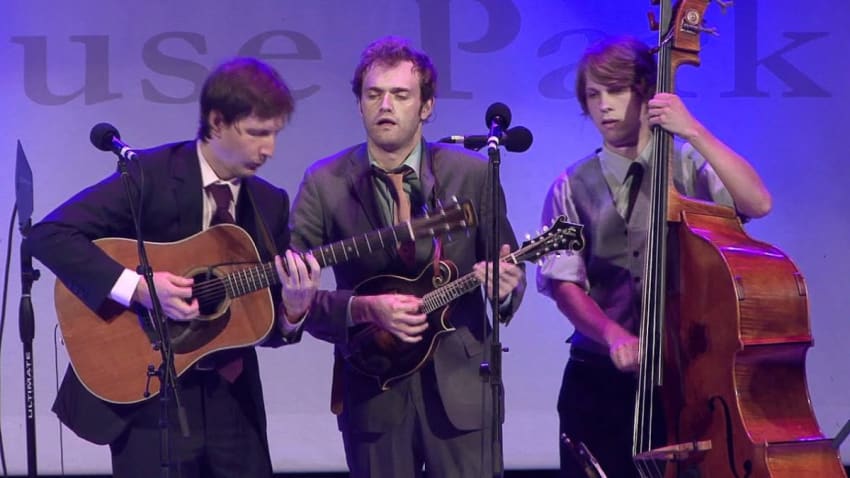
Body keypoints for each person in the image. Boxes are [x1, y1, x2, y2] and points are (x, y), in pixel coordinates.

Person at [27, 57, 320, 478]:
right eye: (257, 133)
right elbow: (48, 234)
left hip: (231, 399)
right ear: (217, 122)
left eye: (274, 134)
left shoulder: (269, 203)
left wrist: (293, 311)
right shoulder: (151, 176)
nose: (269, 150)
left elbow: (264, 325)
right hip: (149, 391)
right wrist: (139, 288)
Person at [289, 36, 526, 477]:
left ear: (426, 106)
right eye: (373, 94)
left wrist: (506, 289)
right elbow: (292, 296)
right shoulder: (324, 183)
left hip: (463, 398)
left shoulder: (471, 175)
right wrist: (363, 308)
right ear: (359, 103)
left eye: (400, 95)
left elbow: (508, 265)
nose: (385, 105)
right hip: (374, 391)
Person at [536, 36, 772, 477]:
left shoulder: (687, 166)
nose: (604, 106)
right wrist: (613, 335)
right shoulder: (569, 185)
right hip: (599, 379)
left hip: (687, 380)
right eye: (593, 95)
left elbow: (757, 203)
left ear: (646, 92)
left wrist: (693, 130)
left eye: (616, 91)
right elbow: (564, 284)